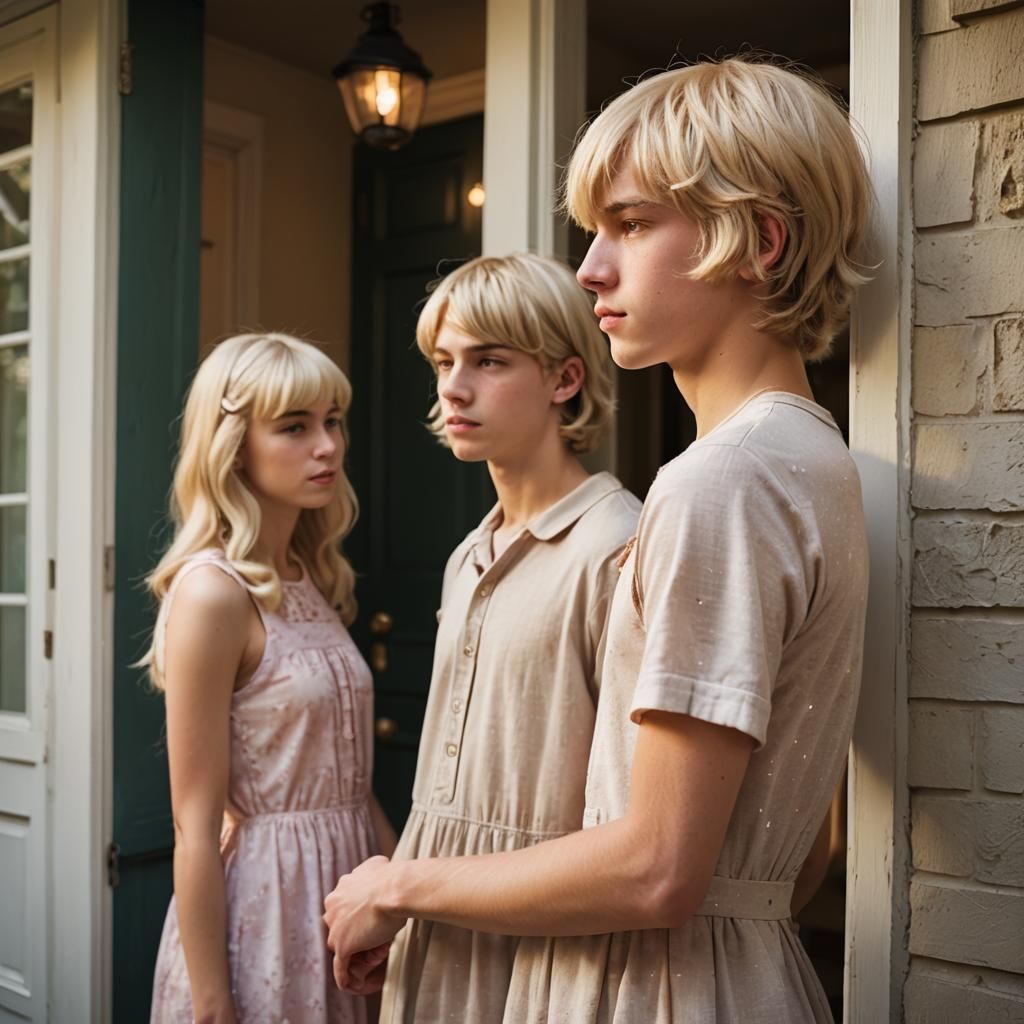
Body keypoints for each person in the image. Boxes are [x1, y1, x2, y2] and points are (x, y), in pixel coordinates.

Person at [324, 56, 871, 1024]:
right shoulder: (811, 457)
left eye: (630, 223)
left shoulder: (722, 478)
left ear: (760, 241)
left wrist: (396, 885)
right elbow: (803, 846)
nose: (590, 268)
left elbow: (658, 867)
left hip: (658, 986)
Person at [378, 252, 641, 1022]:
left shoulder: (617, 546)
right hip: (431, 926)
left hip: (543, 944)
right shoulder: (468, 556)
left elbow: (629, 816)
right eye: (443, 361)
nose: (453, 388)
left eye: (488, 361)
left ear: (565, 379)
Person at [146, 333, 396, 1024]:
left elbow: (348, 780)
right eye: (295, 427)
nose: (327, 446)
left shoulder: (309, 577)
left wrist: (402, 887)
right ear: (233, 447)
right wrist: (213, 1001)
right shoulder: (211, 593)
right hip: (268, 911)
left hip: (346, 897)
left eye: (332, 422)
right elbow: (193, 828)